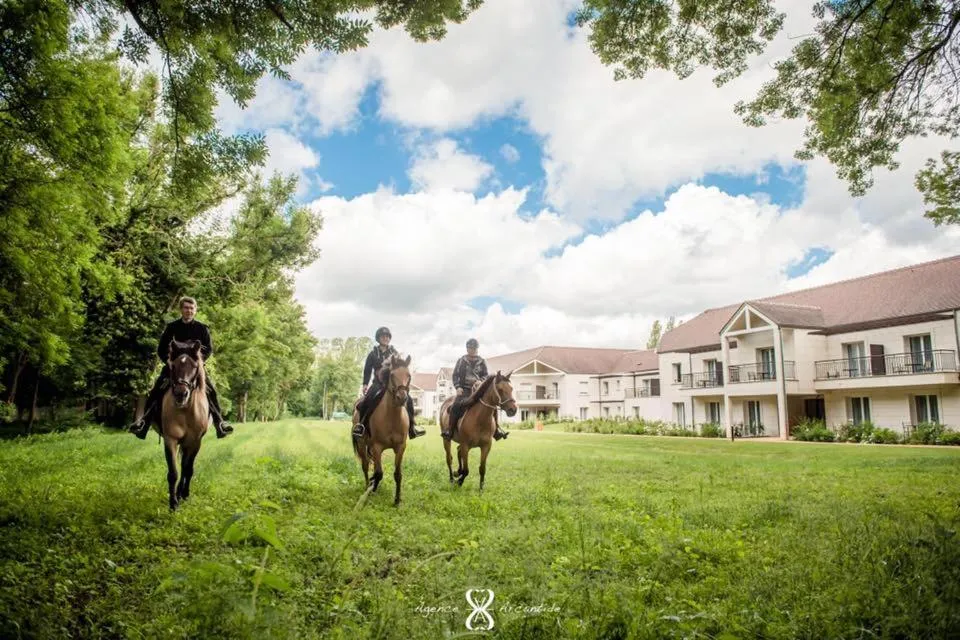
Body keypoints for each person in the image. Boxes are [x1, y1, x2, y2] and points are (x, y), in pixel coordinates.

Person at [128, 297, 234, 439]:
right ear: (181, 310)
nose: (189, 311)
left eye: (192, 308)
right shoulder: (171, 327)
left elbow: (208, 349)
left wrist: (200, 362)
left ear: (195, 310)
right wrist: (168, 361)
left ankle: (220, 423)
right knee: (156, 390)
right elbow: (161, 349)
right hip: (173, 368)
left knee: (211, 390)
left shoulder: (202, 328)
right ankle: (143, 423)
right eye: (186, 308)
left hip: (195, 369)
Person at [352, 326, 425, 441]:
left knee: (409, 400)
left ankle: (412, 427)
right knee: (366, 401)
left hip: (393, 385)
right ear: (378, 338)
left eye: (387, 336)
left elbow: (400, 369)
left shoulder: (394, 353)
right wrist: (365, 384)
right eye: (383, 336)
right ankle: (361, 426)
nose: (385, 338)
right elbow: (367, 370)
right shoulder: (372, 354)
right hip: (378, 384)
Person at [442, 338, 508, 441]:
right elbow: (455, 375)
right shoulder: (461, 361)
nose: (472, 350)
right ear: (467, 349)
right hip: (464, 390)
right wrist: (458, 387)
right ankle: (449, 430)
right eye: (470, 348)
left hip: (479, 389)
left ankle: (496, 430)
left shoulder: (482, 361)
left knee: (492, 405)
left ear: (477, 349)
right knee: (455, 406)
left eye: (474, 348)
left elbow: (486, 376)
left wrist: (480, 381)